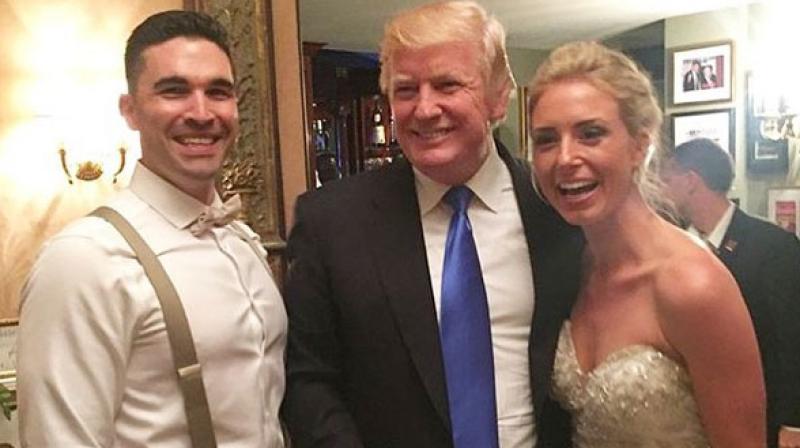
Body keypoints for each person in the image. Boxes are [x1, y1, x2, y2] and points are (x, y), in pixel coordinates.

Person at [281, 1, 583, 447]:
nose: (425, 109)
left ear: (499, 96)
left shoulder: (557, 213)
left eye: (447, 85)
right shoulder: (331, 223)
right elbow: (307, 380)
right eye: (406, 90)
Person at [17, 10, 287, 447]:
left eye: (218, 92)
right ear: (130, 110)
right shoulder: (86, 258)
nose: (201, 113)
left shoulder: (244, 242)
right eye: (174, 91)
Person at [528, 41, 766, 447]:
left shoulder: (692, 285)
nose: (565, 157)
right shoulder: (574, 267)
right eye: (547, 140)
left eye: (591, 133)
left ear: (639, 144)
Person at [662, 137, 800, 448]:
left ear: (690, 181)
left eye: (667, 179)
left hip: (761, 415)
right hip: (690, 419)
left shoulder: (772, 246)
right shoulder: (672, 248)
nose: (661, 189)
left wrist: (794, 420)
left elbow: (792, 337)